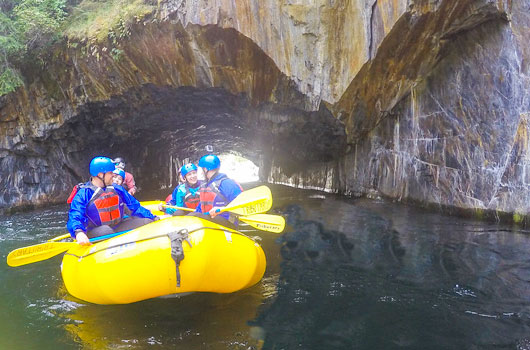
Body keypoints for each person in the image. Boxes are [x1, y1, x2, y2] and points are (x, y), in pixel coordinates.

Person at [67, 156, 159, 246]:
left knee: (147, 222)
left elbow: (135, 207)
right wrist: (79, 232)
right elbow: (75, 215)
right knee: (106, 230)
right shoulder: (83, 194)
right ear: (100, 175)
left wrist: (153, 218)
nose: (113, 175)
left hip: (118, 225)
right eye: (110, 172)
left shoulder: (117, 189)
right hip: (96, 231)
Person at [192, 154, 243, 228]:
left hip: (227, 223)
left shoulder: (227, 183)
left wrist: (222, 209)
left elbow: (241, 205)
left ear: (206, 169)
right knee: (190, 215)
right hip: (210, 221)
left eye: (201, 169)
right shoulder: (206, 185)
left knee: (195, 216)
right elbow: (200, 209)